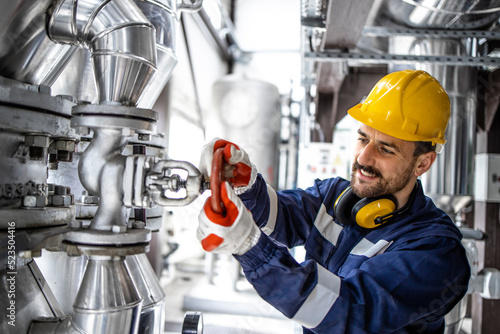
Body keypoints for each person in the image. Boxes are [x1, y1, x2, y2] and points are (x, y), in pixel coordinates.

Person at [196, 69, 471, 333]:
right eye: (363, 139)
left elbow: (346, 313)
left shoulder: (435, 251)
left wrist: (250, 247)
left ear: (423, 163)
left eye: (385, 149)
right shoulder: (337, 197)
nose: (363, 158)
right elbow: (281, 217)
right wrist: (245, 183)